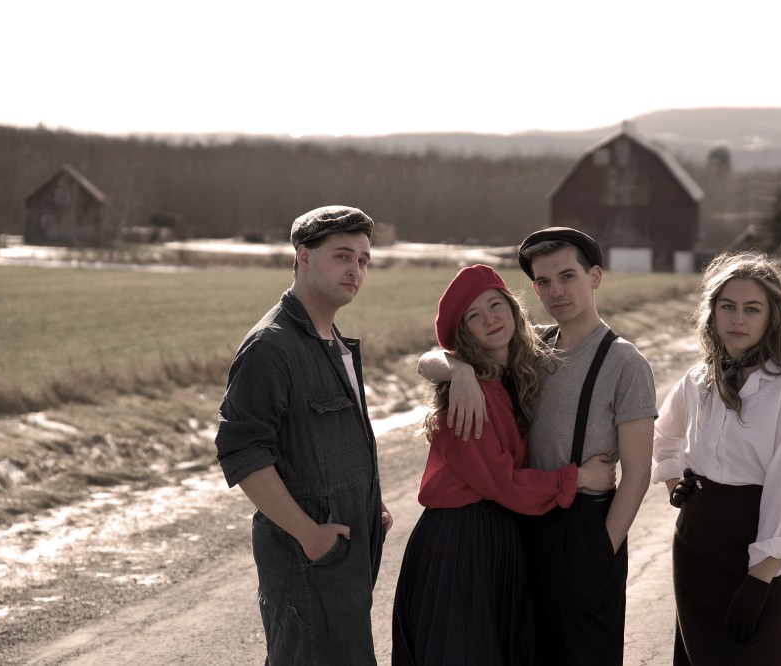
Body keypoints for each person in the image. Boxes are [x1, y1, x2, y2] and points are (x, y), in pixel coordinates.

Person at [418, 228, 657, 666]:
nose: (556, 291)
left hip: (583, 529)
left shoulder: (626, 363)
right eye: (544, 282)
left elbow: (638, 473)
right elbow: (430, 357)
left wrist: (601, 551)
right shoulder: (531, 347)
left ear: (595, 277)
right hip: (525, 523)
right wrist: (459, 371)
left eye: (567, 276)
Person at [392, 264, 618, 665]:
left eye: (495, 305)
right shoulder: (469, 396)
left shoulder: (518, 370)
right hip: (461, 545)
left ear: (513, 309)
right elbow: (504, 483)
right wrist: (578, 477)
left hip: (498, 539)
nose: (490, 319)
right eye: (474, 316)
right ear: (465, 333)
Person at [214, 205, 392, 665]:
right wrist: (311, 535)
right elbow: (242, 452)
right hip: (306, 563)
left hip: (343, 563)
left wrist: (370, 503)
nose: (355, 270)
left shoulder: (332, 342)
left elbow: (329, 444)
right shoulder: (271, 347)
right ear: (303, 257)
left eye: (364, 260)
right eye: (342, 256)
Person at [651, 251, 781, 665]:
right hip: (697, 549)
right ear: (713, 313)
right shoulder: (698, 380)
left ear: (772, 317)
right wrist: (674, 482)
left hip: (762, 557)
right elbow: (663, 435)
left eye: (751, 309)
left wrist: (758, 582)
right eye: (728, 307)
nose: (738, 319)